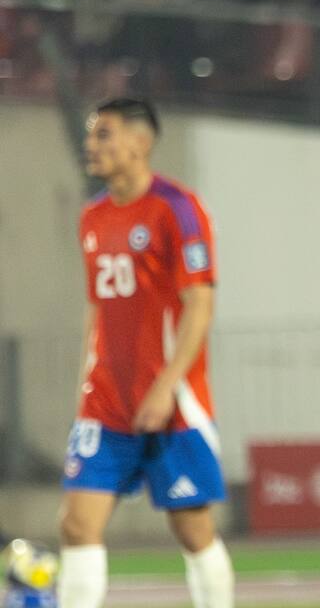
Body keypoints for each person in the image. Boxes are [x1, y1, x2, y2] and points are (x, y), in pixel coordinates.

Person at [58, 98, 233, 608]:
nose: (92, 146)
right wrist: (84, 384)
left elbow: (200, 302)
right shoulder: (92, 217)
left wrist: (166, 386)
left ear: (141, 142)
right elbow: (99, 306)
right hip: (106, 401)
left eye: (104, 135)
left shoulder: (177, 209)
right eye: (91, 136)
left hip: (172, 403)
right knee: (76, 523)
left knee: (192, 527)